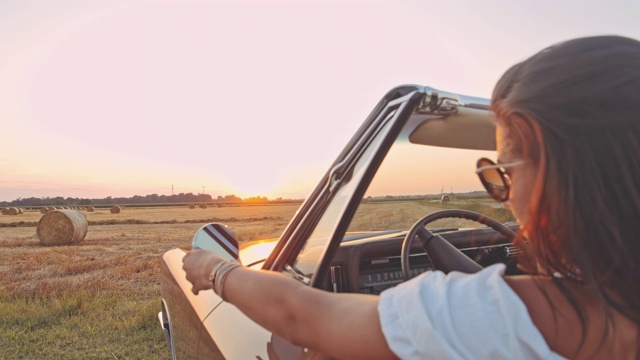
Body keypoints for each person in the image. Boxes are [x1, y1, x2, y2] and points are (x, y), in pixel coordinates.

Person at [183, 35, 640, 359]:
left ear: (564, 173)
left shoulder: (495, 315)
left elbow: (298, 316)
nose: (503, 201)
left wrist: (214, 268)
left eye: (502, 175)